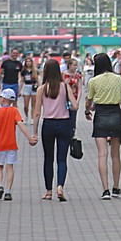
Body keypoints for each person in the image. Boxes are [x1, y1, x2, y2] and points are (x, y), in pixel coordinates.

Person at [83, 53, 121, 199]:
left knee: (102, 154)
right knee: (115, 155)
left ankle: (105, 190)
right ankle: (116, 187)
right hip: (116, 114)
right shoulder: (119, 79)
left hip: (101, 115)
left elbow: (89, 101)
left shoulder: (94, 81)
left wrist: (87, 111)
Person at [34, 57, 79, 201]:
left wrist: (34, 133)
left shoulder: (42, 89)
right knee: (61, 158)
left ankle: (48, 191)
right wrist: (66, 107)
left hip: (48, 124)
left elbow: (36, 112)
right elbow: (75, 106)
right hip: (64, 124)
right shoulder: (65, 86)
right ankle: (60, 186)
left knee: (48, 158)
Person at [0, 88, 37, 201]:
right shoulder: (15, 111)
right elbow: (21, 125)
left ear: (3, 99)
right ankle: (8, 191)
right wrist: (29, 137)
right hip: (12, 144)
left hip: (0, 144)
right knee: (10, 167)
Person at [20, 56, 38, 123]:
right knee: (26, 105)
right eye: (27, 61)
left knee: (33, 104)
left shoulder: (35, 70)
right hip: (26, 87)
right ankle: (26, 116)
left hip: (33, 87)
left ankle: (32, 118)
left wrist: (39, 88)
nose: (28, 63)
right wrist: (20, 90)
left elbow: (37, 80)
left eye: (29, 61)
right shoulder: (24, 71)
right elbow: (22, 81)